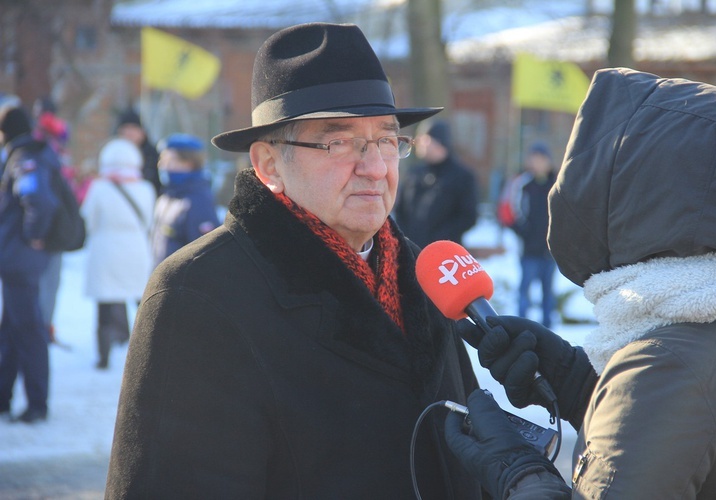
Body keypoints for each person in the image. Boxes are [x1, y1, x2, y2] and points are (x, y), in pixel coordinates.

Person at [106, 22, 483, 498]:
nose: (374, 167)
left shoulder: (422, 272)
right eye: (339, 142)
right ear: (267, 165)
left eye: (387, 140)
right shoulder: (197, 294)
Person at [444, 68, 716, 498]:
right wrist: (580, 388)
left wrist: (521, 475)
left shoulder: (664, 367)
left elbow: (679, 403)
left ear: (640, 197)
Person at [0, 102, 60, 423]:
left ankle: (37, 405)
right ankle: (3, 397)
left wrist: (33, 236)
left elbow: (38, 200)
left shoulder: (23, 158)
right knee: (10, 329)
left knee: (28, 330)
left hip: (19, 258)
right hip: (16, 258)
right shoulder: (28, 153)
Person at [80, 138, 156, 370]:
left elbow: (88, 220)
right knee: (142, 303)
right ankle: (150, 350)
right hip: (136, 250)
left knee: (104, 306)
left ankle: (103, 358)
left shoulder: (99, 188)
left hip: (105, 251)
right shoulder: (146, 188)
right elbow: (150, 222)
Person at [497, 141, 557, 327]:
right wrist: (522, 231)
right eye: (535, 159)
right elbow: (507, 209)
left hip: (550, 250)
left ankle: (548, 327)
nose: (538, 163)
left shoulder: (557, 183)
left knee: (548, 291)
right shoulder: (522, 183)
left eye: (542, 159)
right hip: (528, 249)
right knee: (525, 290)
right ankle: (522, 325)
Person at [394, 119, 478, 248]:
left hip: (443, 253)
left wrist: (439, 238)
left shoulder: (462, 176)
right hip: (410, 249)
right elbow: (401, 210)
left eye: (425, 138)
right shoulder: (414, 173)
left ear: (439, 142)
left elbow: (468, 217)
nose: (419, 142)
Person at [32, 96, 71, 344]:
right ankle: (41, 327)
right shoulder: (53, 148)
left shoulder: (45, 147)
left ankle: (43, 327)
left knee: (46, 282)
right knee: (46, 282)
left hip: (49, 226)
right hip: (49, 226)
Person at [150, 133, 219, 267]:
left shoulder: (197, 201)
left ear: (188, 163)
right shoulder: (167, 197)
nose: (162, 166)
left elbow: (205, 255)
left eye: (169, 160)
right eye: (162, 160)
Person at [115, 108, 161, 194]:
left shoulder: (153, 155)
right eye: (126, 129)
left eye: (133, 128)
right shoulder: (114, 155)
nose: (129, 133)